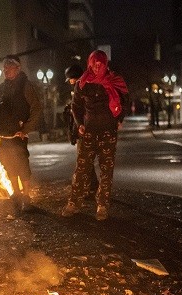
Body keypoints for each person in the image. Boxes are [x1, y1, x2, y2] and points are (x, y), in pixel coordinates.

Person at [61, 49, 129, 220]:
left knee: (106, 172)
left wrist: (120, 118)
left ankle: (102, 206)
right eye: (95, 64)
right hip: (89, 133)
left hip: (108, 132)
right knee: (82, 169)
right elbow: (75, 106)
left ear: (105, 64)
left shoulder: (115, 81)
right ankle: (74, 202)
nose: (98, 67)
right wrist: (79, 124)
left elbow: (125, 100)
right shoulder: (82, 83)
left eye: (101, 64)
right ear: (90, 64)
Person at [0, 54, 42, 212]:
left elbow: (36, 108)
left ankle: (26, 196)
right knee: (8, 164)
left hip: (18, 135)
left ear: (18, 68)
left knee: (21, 165)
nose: (6, 70)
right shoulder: (1, 89)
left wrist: (25, 129)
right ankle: (16, 194)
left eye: (9, 66)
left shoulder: (25, 86)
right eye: (4, 67)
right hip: (4, 135)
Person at [64, 63, 98, 199]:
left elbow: (80, 110)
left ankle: (91, 188)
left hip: (84, 129)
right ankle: (91, 187)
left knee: (84, 160)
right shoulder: (83, 86)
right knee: (85, 160)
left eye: (70, 79)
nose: (70, 82)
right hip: (83, 129)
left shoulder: (82, 87)